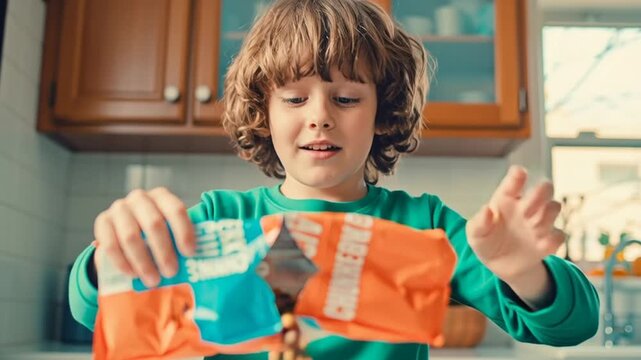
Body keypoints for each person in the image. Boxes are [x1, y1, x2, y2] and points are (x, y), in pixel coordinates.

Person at [68, 0, 600, 359]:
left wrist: (525, 271)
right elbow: (94, 308)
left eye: (346, 98)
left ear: (382, 112)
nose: (320, 116)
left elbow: (570, 326)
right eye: (294, 99)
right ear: (264, 112)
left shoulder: (428, 226)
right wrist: (110, 256)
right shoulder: (218, 218)